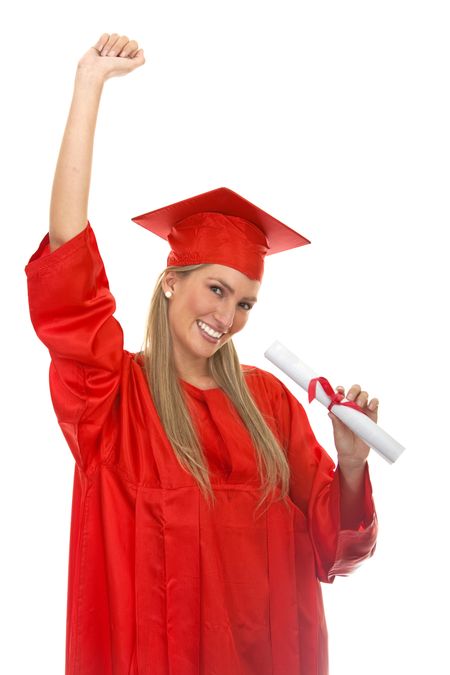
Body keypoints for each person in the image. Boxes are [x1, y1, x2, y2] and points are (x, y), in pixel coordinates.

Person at [25, 34, 378, 675]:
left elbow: (338, 550)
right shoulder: (113, 399)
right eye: (217, 289)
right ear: (171, 281)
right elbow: (68, 263)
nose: (228, 317)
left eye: (245, 303)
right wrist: (87, 89)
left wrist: (350, 466)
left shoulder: (269, 404)